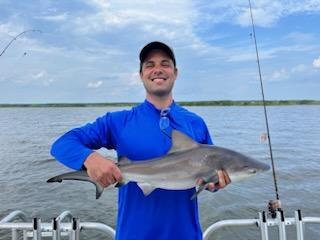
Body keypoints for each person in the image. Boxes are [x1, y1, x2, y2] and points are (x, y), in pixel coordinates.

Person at [51, 41, 231, 240]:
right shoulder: (118, 121)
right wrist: (90, 158)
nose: (158, 70)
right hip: (134, 234)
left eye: (165, 64)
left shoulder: (196, 123)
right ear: (141, 75)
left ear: (175, 72)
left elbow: (213, 176)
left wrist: (215, 184)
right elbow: (62, 144)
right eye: (150, 65)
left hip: (186, 234)